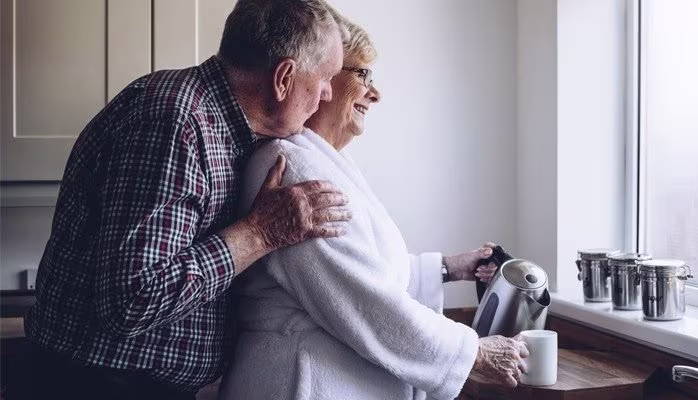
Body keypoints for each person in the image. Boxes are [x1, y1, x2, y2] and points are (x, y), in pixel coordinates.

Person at [21, 1, 354, 399]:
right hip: (94, 386)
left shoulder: (221, 124)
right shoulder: (176, 122)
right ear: (283, 78)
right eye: (326, 77)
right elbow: (133, 299)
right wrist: (260, 233)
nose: (328, 93)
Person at [218, 10, 528, 400]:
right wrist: (473, 353)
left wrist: (447, 268)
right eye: (361, 73)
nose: (374, 92)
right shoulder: (295, 170)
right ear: (324, 76)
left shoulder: (327, 162)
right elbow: (362, 302)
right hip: (301, 384)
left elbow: (364, 272)